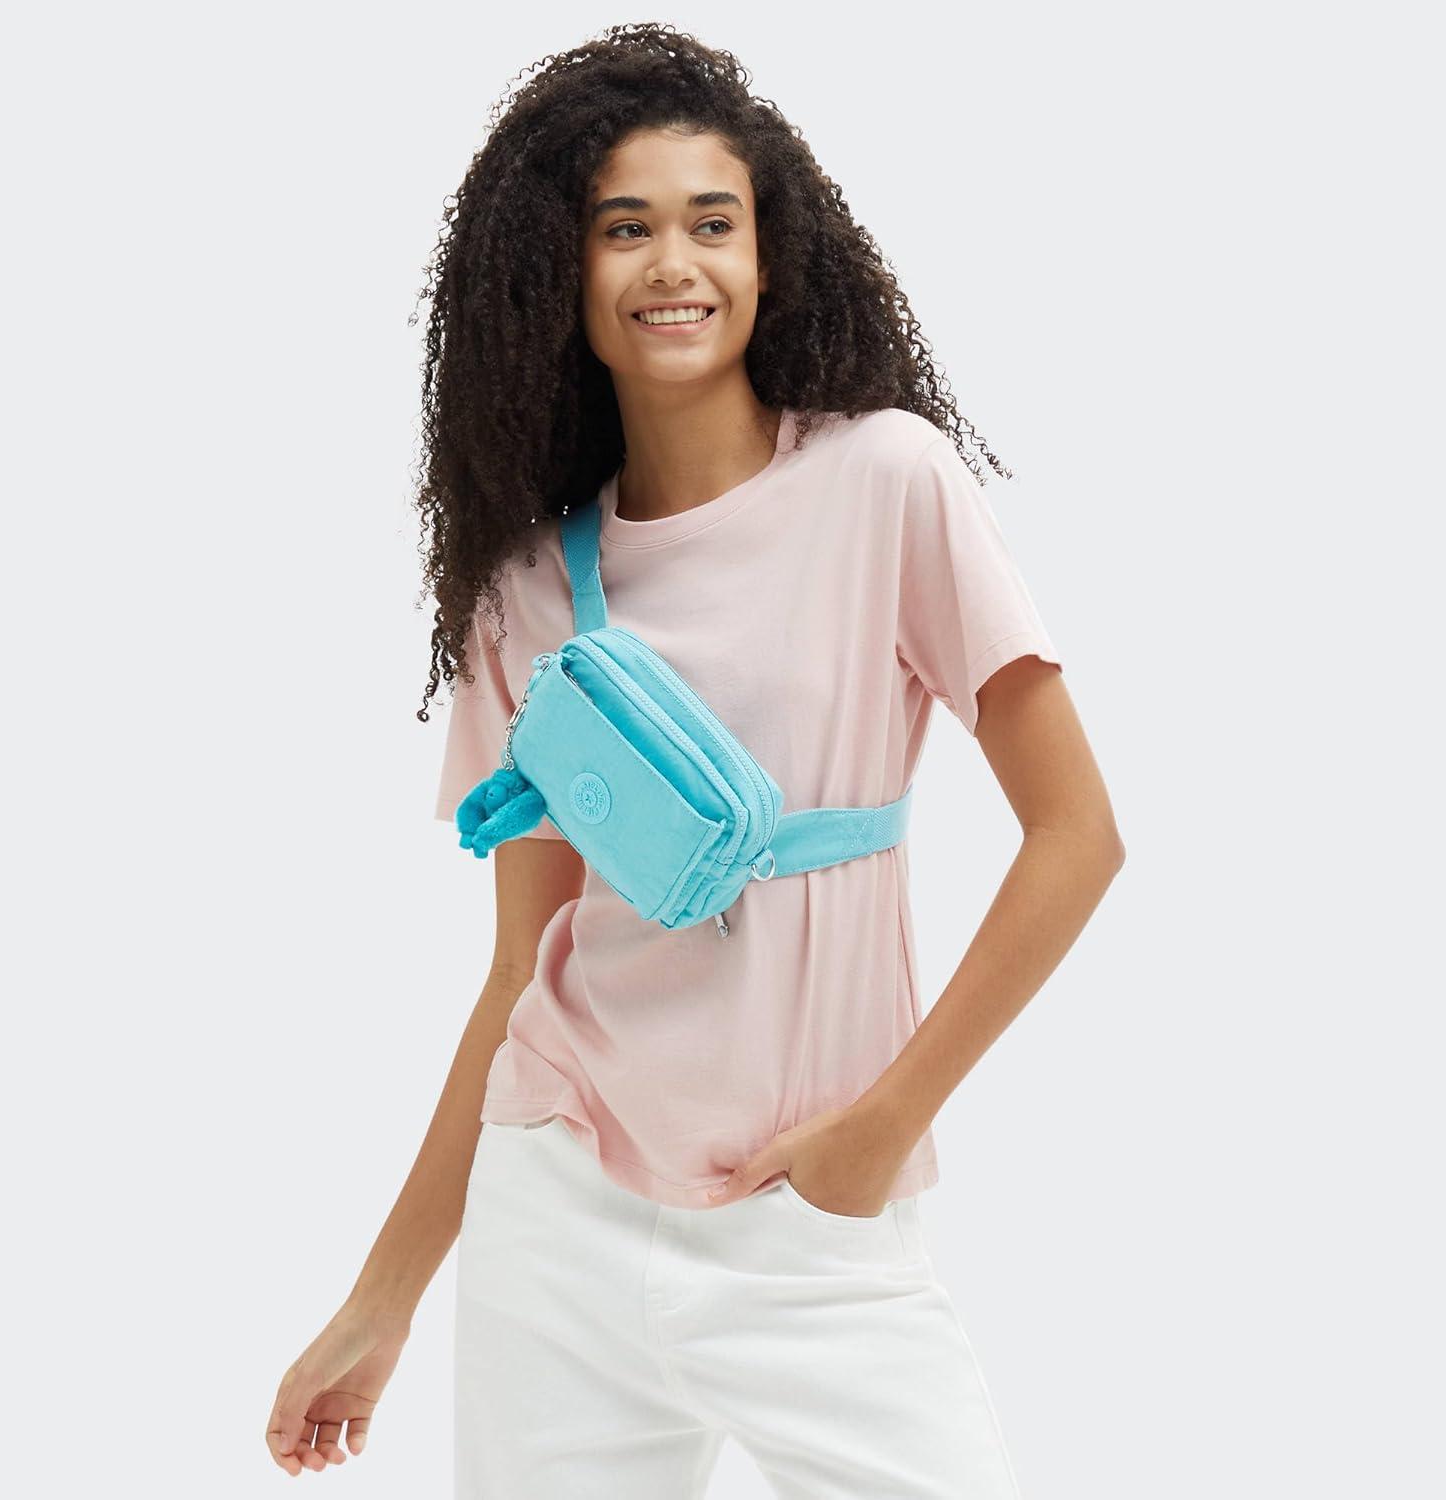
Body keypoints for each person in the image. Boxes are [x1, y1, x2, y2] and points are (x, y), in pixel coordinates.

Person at [265, 22, 1125, 1497]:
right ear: (559, 274)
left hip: (813, 1217)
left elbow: (1077, 836)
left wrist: (883, 1129)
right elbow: (521, 965)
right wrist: (381, 1300)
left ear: (770, 256)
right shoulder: (523, 590)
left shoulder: (885, 481)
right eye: (626, 228)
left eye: (712, 223)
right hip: (557, 1223)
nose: (675, 263)